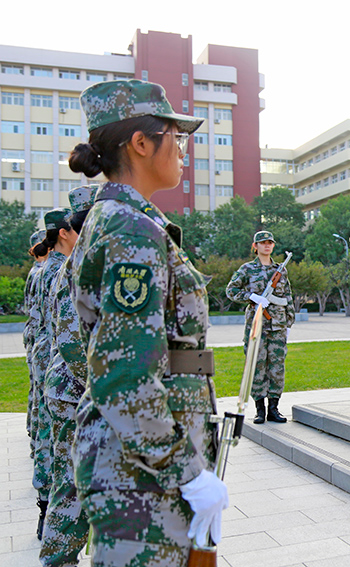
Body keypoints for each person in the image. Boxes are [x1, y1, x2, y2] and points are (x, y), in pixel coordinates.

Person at [68, 79, 228, 565]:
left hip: (142, 468)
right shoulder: (129, 226)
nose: (182, 150)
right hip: (141, 478)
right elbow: (124, 375)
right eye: (174, 137)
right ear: (141, 143)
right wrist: (187, 472)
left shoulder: (123, 219)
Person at [40, 186, 95, 566]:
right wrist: (104, 391)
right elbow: (73, 344)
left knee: (73, 480)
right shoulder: (76, 267)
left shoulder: (86, 262)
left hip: (77, 390)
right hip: (74, 392)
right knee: (74, 485)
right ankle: (58, 559)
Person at [28, 209, 74, 540]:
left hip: (46, 355)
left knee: (49, 434)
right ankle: (50, 512)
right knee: (54, 438)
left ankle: (46, 508)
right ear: (63, 233)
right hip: (56, 358)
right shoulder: (59, 270)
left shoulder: (44, 270)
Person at [226, 231, 295, 424]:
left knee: (277, 367)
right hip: (256, 325)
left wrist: (289, 322)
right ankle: (259, 410)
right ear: (255, 246)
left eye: (269, 243)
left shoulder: (280, 269)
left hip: (278, 325)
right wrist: (251, 297)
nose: (266, 246)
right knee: (257, 366)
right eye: (262, 243)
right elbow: (231, 290)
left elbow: (288, 297)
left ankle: (274, 408)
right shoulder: (247, 269)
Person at [24, 229, 47, 457]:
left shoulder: (36, 271)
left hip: (35, 337)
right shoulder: (43, 272)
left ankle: (35, 442)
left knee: (38, 395)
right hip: (42, 339)